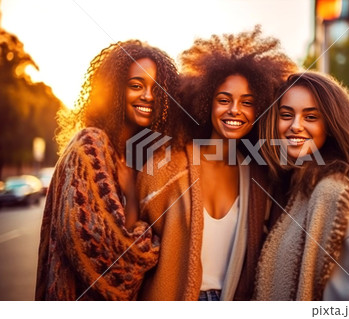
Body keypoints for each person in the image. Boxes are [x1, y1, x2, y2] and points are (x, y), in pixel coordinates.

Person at [137, 26, 297, 300]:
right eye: (224, 100)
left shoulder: (259, 176)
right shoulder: (167, 165)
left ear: (259, 110)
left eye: (247, 102)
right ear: (205, 102)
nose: (235, 110)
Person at [35, 40, 180, 300]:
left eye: (156, 89)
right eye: (136, 85)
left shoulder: (137, 156)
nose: (148, 95)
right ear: (115, 89)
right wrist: (155, 243)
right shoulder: (90, 145)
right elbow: (112, 263)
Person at [254, 72, 349, 301]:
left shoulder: (336, 193)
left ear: (331, 125)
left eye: (310, 117)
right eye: (286, 115)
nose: (295, 126)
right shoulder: (300, 186)